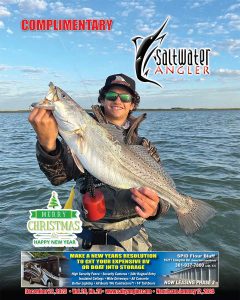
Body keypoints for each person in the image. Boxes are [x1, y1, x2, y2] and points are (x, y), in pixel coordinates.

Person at [28, 74, 169, 251]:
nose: (118, 100)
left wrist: (155, 209)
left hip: (133, 239)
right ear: (102, 99)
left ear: (132, 104)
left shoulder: (144, 146)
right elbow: (58, 177)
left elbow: (165, 199)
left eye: (125, 97)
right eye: (111, 96)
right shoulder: (80, 134)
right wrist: (47, 143)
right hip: (86, 238)